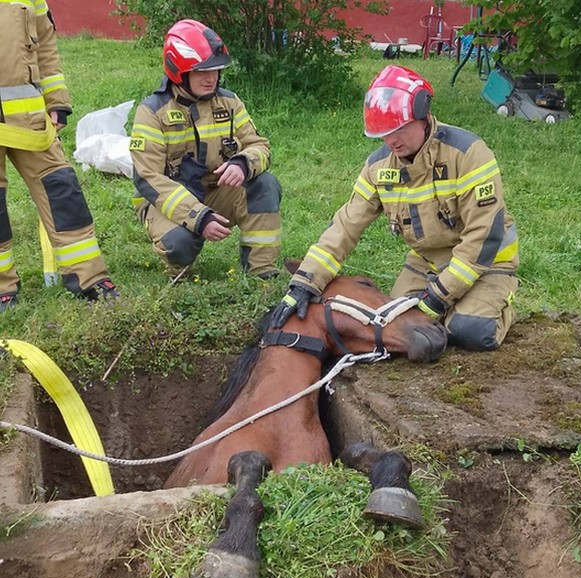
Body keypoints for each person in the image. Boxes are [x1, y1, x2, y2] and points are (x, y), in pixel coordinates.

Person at [268, 65, 518, 351]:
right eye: (383, 133)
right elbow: (345, 226)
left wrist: (438, 298)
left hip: (487, 263)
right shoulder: (378, 167)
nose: (391, 141)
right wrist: (304, 283)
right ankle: (455, 306)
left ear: (423, 116)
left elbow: (482, 237)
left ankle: (501, 299)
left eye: (398, 129)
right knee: (394, 328)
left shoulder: (468, 153)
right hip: (428, 264)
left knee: (470, 332)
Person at [130, 19, 282, 279]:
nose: (211, 78)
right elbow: (148, 179)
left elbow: (260, 146)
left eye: (215, 70)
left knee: (265, 184)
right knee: (179, 244)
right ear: (178, 70)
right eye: (202, 71)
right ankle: (179, 266)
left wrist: (243, 163)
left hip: (215, 192)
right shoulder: (152, 112)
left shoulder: (230, 102)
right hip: (166, 201)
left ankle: (261, 272)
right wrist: (199, 218)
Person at [0, 0, 120, 311]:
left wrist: (56, 102)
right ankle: (3, 289)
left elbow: (46, 49)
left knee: (63, 190)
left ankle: (89, 278)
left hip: (29, 118)